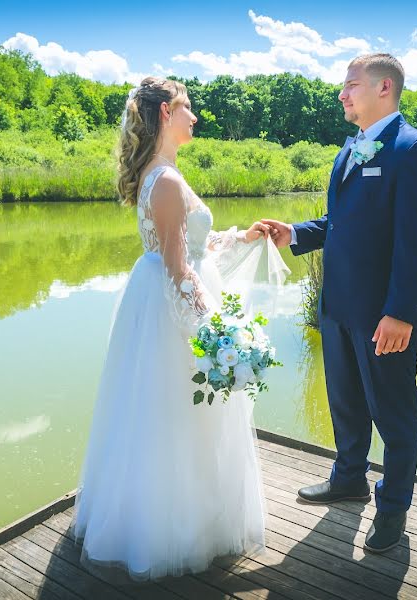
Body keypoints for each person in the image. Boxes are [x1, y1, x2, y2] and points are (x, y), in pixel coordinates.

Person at [70, 76, 288, 580]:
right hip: (171, 309)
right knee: (172, 416)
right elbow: (177, 267)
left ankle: (191, 520)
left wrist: (241, 237)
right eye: (188, 109)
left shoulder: (165, 172)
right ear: (166, 113)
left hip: (164, 299)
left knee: (169, 414)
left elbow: (193, 250)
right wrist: (214, 330)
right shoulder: (164, 180)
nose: (195, 118)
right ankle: (169, 530)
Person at [263, 53, 417, 553]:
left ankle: (392, 511)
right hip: (338, 307)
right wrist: (294, 233)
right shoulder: (349, 151)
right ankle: (349, 478)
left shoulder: (416, 150)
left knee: (395, 412)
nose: (342, 94)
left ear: (384, 88)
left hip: (384, 317)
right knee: (345, 404)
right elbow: (338, 223)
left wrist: (402, 313)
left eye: (350, 86)